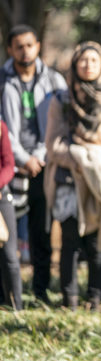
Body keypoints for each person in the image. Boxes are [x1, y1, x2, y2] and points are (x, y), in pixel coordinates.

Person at [45, 41, 101, 310]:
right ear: (74, 64)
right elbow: (54, 145)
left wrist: (99, 161)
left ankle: (96, 296)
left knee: (97, 243)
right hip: (69, 181)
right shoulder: (61, 100)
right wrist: (80, 159)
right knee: (70, 240)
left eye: (94, 60)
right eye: (83, 60)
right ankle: (69, 298)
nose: (88, 65)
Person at [1, 24, 67, 304]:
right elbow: (2, 129)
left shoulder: (54, 80)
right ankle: (8, 295)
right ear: (10, 50)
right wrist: (22, 158)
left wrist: (39, 156)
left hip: (44, 163)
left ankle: (40, 291)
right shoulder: (3, 81)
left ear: (38, 46)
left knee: (42, 230)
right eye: (19, 46)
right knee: (7, 236)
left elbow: (60, 124)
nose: (25, 51)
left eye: (29, 45)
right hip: (10, 165)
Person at [0, 119, 22, 310]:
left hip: (1, 195)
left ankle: (17, 307)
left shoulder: (1, 127)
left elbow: (9, 165)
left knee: (10, 255)